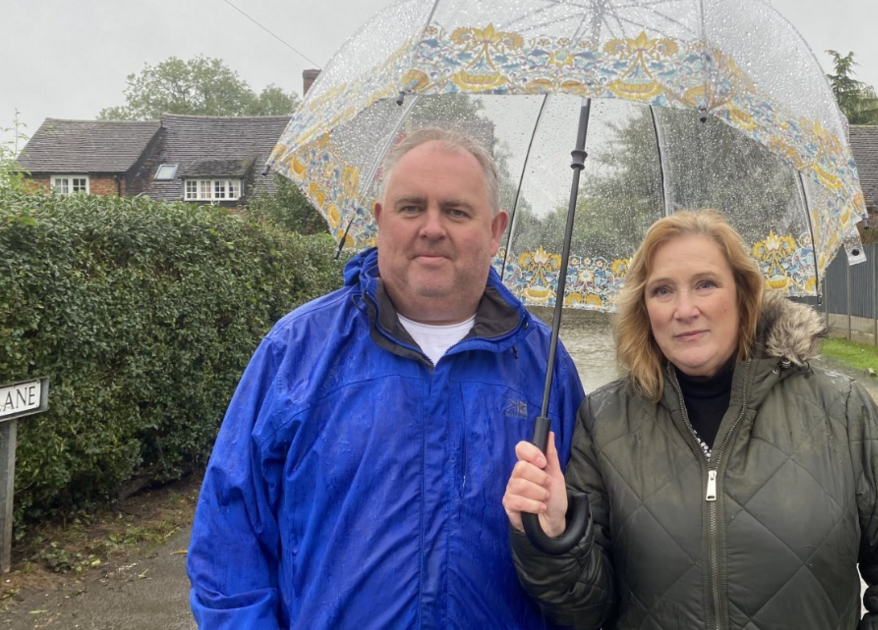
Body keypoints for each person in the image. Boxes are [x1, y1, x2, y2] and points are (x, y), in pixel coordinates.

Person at [187, 127, 585, 629]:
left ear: (494, 229)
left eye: (457, 211)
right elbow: (229, 543)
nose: (432, 228)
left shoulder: (545, 369)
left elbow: (586, 563)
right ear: (379, 220)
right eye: (411, 207)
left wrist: (558, 536)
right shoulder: (297, 350)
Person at [503, 210, 878, 629]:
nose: (684, 309)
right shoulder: (604, 422)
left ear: (743, 294)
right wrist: (556, 538)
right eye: (663, 290)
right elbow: (584, 611)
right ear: (644, 309)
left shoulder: (840, 408)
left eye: (705, 284)